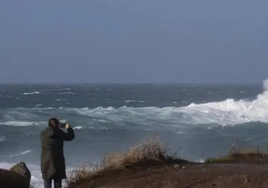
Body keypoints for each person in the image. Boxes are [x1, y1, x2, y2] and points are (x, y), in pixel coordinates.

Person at [40, 118, 75, 188]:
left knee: (47, 181)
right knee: (57, 181)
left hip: (46, 161)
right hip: (58, 161)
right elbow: (70, 136)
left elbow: (50, 131)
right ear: (57, 124)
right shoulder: (59, 133)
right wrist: (68, 128)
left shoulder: (42, 134)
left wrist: (57, 126)